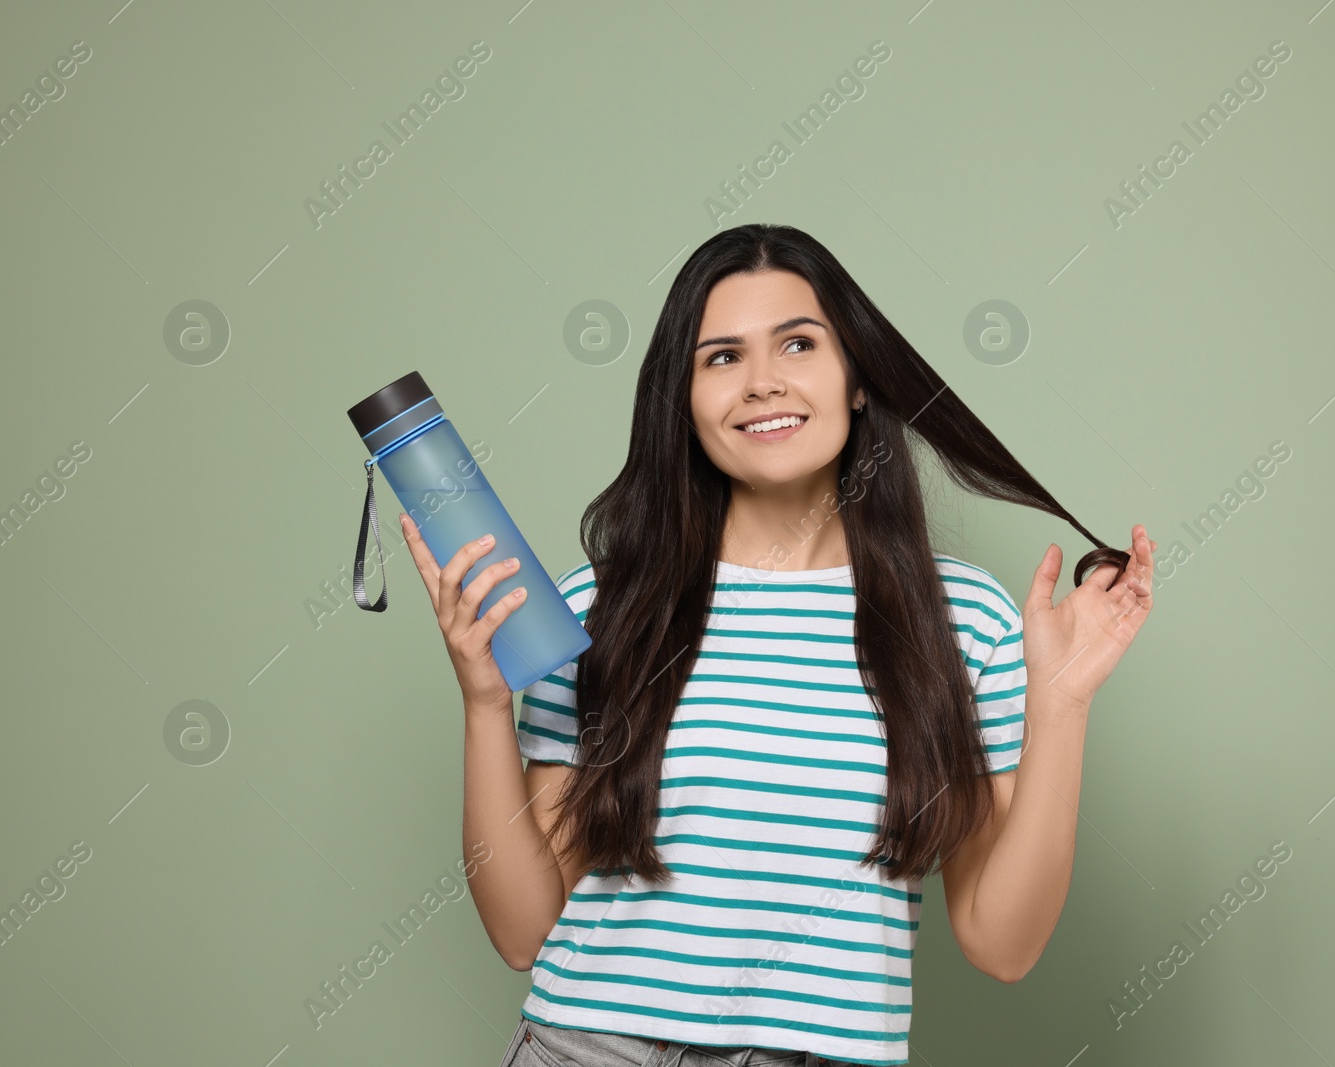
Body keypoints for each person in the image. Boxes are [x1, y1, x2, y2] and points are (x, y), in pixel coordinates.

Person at [399, 223, 1156, 1067]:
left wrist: (1062, 703)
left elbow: (1001, 944)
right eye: (721, 357)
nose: (762, 383)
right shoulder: (604, 609)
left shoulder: (963, 621)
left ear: (858, 377)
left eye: (797, 343)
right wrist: (485, 702)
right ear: (682, 399)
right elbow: (521, 930)